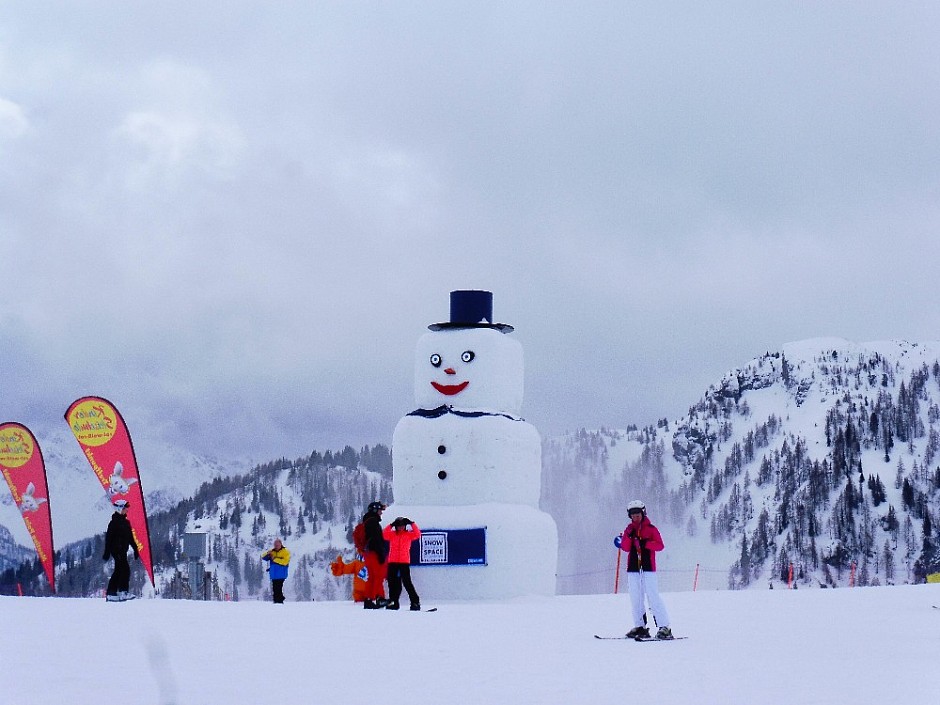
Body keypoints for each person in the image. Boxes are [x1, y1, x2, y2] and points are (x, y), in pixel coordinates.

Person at [614, 500, 673, 639]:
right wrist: (628, 537)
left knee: (652, 595)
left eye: (638, 514)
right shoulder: (629, 529)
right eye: (633, 515)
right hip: (633, 568)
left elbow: (660, 545)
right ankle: (640, 626)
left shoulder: (651, 529)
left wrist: (646, 543)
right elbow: (626, 548)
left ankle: (665, 627)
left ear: (643, 513)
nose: (636, 517)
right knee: (635, 597)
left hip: (648, 567)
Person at [382, 517, 422, 611]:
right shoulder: (392, 535)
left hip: (404, 562)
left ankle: (415, 602)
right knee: (392, 583)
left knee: (407, 582)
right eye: (398, 526)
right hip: (393, 562)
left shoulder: (408, 535)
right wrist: (391, 525)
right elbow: (384, 534)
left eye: (402, 526)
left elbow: (418, 534)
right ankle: (393, 602)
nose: (401, 528)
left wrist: (412, 523)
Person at [102, 499, 139, 602]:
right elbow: (108, 538)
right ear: (119, 509)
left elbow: (130, 537)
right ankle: (123, 591)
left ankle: (111, 593)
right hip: (116, 549)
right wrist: (107, 552)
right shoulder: (114, 523)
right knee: (125, 569)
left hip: (123, 550)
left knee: (119, 570)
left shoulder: (126, 522)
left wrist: (135, 548)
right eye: (125, 508)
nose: (127, 510)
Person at [360, 501, 389, 609]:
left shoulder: (367, 521)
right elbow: (376, 540)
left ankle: (368, 599)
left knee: (371, 577)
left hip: (367, 553)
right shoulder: (373, 523)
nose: (381, 513)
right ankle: (379, 598)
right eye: (380, 510)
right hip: (374, 553)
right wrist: (380, 553)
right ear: (375, 510)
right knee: (378, 576)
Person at [262, 538, 291, 604]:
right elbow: (264, 557)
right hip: (274, 574)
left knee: (278, 587)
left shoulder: (285, 552)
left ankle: (279, 600)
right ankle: (277, 600)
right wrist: (267, 553)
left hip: (281, 573)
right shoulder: (272, 551)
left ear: (281, 544)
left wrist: (274, 559)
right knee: (275, 588)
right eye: (275, 545)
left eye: (277, 545)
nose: (276, 546)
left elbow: (285, 562)